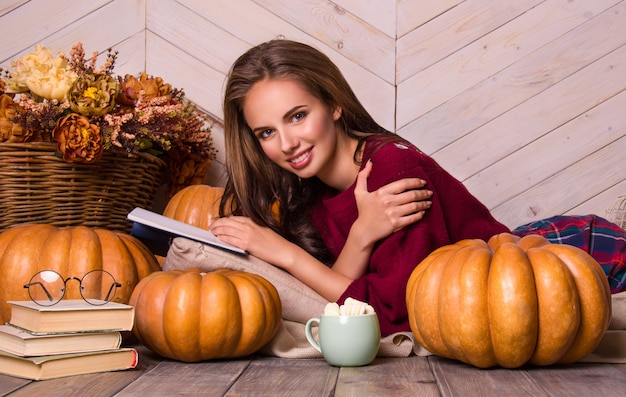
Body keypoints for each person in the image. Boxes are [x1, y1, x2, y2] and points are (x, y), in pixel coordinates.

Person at [210, 39, 625, 336]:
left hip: (576, 262)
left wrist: (282, 253)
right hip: (513, 278)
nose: (286, 144)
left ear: (334, 104)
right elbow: (344, 292)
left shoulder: (392, 168)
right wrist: (360, 235)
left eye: (298, 116)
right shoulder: (311, 194)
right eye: (266, 131)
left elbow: (392, 313)